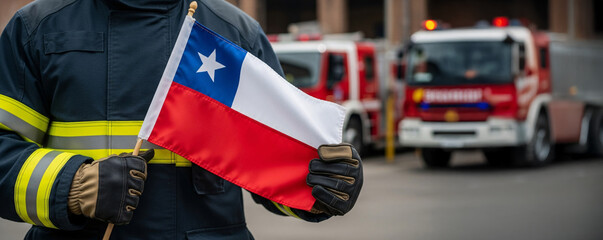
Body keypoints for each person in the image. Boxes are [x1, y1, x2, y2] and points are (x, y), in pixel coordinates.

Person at [0, 0, 364, 239]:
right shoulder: (37, 29)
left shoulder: (235, 32)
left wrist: (321, 183)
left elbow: (272, 156)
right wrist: (73, 185)